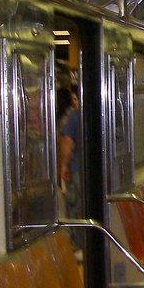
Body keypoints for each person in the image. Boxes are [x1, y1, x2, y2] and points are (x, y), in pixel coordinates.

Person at [57, 87, 81, 221]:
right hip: (98, 170)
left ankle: (76, 240)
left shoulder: (73, 116)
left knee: (74, 205)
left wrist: (63, 165)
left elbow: (67, 141)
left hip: (77, 168)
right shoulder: (101, 114)